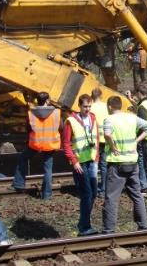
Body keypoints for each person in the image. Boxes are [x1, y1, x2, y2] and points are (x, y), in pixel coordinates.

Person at [102, 95, 147, 233]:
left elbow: (107, 134)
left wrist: (112, 146)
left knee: (112, 198)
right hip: (132, 162)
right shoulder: (131, 117)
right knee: (137, 195)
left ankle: (109, 229)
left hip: (117, 164)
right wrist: (136, 141)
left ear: (109, 106)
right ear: (120, 106)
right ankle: (143, 224)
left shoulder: (109, 119)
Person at [12, 92, 62, 199]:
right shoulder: (56, 113)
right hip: (50, 144)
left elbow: (28, 129)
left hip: (35, 144)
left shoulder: (31, 113)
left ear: (37, 101)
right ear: (47, 101)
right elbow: (61, 127)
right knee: (48, 168)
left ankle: (19, 184)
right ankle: (47, 195)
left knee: (23, 158)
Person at [63, 94, 100, 236]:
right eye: (85, 106)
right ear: (79, 106)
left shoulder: (93, 118)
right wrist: (74, 161)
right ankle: (85, 227)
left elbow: (96, 138)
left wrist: (96, 158)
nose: (87, 109)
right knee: (87, 193)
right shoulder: (71, 121)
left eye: (89, 106)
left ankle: (83, 223)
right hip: (80, 162)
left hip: (91, 160)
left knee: (94, 193)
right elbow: (66, 143)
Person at [91, 88, 109, 197]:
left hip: (94, 140)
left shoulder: (90, 107)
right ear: (101, 95)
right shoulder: (106, 106)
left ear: (92, 96)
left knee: (94, 164)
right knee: (104, 165)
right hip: (105, 139)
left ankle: (93, 189)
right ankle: (104, 189)